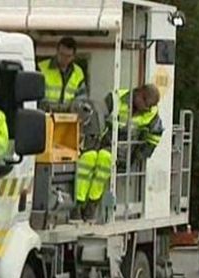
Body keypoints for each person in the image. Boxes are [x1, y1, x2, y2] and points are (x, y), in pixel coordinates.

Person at [74, 84, 163, 220]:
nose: (147, 109)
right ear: (139, 94)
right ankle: (78, 204)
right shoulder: (115, 98)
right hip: (102, 141)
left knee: (104, 158)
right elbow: (97, 118)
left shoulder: (151, 113)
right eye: (146, 104)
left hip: (123, 151)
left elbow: (155, 136)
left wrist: (138, 156)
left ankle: (91, 205)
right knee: (88, 157)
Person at [38, 37, 87, 108]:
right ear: (57, 52)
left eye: (68, 56)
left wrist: (75, 106)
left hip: (70, 116)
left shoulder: (78, 72)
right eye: (62, 54)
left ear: (73, 56)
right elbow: (35, 95)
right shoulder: (42, 68)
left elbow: (82, 97)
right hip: (46, 114)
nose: (64, 58)